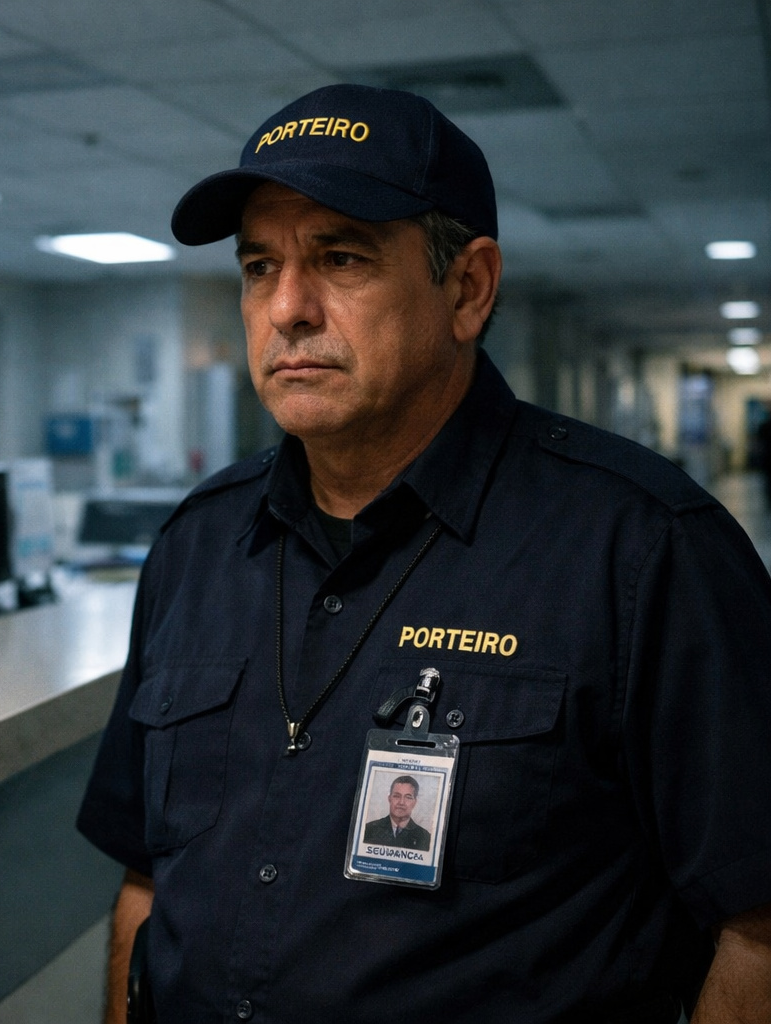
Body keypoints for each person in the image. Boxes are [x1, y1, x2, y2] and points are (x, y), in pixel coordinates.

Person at [76, 83, 771, 1023]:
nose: (286, 308)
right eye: (257, 265)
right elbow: (147, 879)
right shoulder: (199, 544)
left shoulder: (644, 550)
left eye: (342, 256)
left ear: (467, 288)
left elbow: (755, 924)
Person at [360, 776, 430, 851]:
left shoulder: (425, 837)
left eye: (408, 797)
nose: (401, 802)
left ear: (414, 802)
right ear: (389, 798)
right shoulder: (369, 830)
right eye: (397, 796)